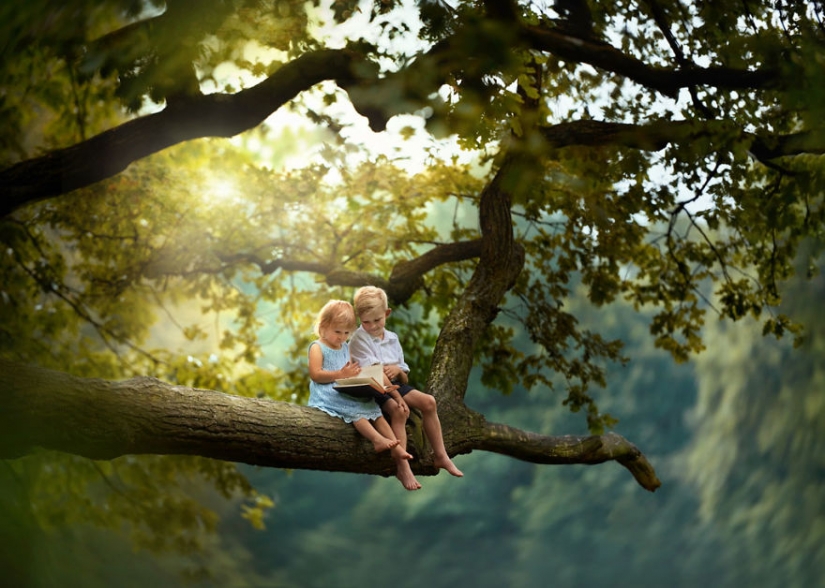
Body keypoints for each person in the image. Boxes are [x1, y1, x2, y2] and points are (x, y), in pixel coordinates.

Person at [350, 286, 463, 490]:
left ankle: (441, 455)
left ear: (387, 313)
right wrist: (399, 398)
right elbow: (376, 374)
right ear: (359, 318)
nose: (373, 326)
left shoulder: (392, 338)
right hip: (374, 386)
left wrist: (397, 370)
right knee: (399, 411)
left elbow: (404, 375)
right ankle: (403, 467)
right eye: (367, 322)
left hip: (395, 384)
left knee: (429, 402)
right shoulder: (359, 339)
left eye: (378, 320)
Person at [307, 300, 412, 469]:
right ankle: (377, 440)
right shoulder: (317, 347)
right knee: (356, 410)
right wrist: (340, 374)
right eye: (337, 332)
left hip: (343, 386)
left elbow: (349, 370)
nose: (341, 337)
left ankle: (396, 446)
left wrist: (357, 377)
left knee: (372, 407)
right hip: (327, 390)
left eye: (346, 333)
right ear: (324, 326)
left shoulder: (344, 347)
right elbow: (315, 375)